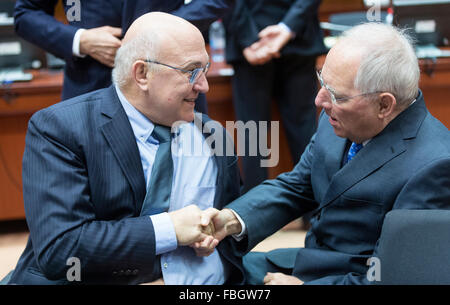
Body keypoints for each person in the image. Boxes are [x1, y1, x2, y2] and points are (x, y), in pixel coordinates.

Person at [199, 22, 450, 285]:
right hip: (307, 262)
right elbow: (298, 186)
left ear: (384, 104)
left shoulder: (434, 166)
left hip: (348, 278)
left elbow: (396, 277)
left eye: (336, 95)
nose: (320, 101)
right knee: (201, 269)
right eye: (321, 81)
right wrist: (232, 219)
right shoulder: (337, 117)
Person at [5, 12, 244, 285]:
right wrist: (169, 229)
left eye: (205, 68)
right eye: (191, 71)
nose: (204, 85)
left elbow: (228, 241)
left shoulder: (213, 137)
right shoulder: (61, 129)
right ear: (142, 74)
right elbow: (62, 249)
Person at [13, 0, 234, 112]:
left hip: (171, 80)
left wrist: (160, 30)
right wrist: (81, 40)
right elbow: (27, 14)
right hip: (92, 83)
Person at [223, 0, 327, 193]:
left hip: (257, 41)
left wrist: (248, 38)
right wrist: (289, 26)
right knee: (294, 130)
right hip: (297, 37)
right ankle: (315, 216)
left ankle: (254, 214)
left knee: (254, 133)